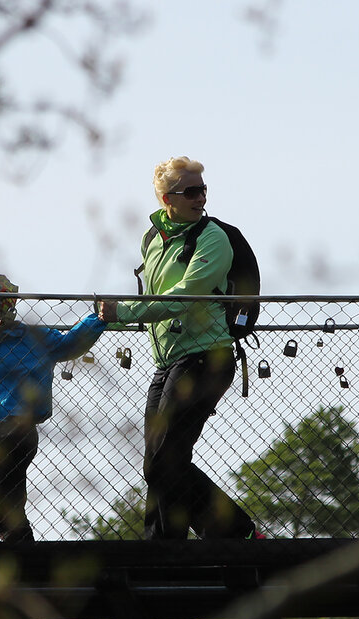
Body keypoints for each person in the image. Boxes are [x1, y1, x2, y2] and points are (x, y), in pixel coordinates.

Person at [98, 156, 259, 541]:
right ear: (167, 198)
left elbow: (186, 295)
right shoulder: (152, 239)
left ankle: (236, 534)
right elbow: (155, 297)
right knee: (158, 464)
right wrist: (110, 319)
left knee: (164, 461)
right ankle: (164, 549)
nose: (200, 197)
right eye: (191, 191)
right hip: (168, 361)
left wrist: (119, 313)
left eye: (203, 189)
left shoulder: (213, 238)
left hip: (208, 356)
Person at [0, 271, 106, 543]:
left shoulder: (35, 338)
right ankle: (19, 540)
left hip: (21, 426)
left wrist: (98, 318)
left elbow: (70, 343)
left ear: (4, 307)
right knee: (9, 493)